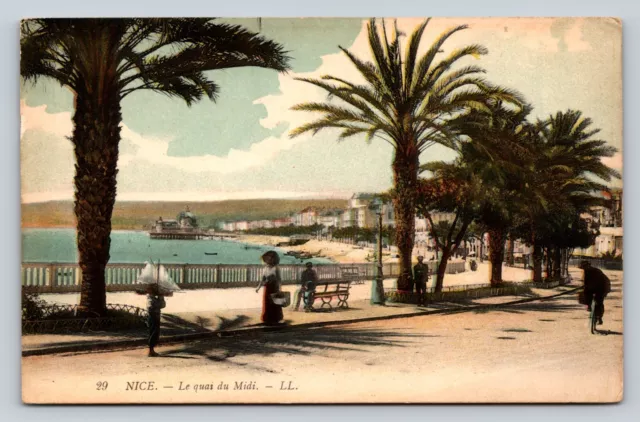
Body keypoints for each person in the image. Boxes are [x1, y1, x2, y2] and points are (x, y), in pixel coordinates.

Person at [256, 250, 284, 325]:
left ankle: (276, 318)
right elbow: (262, 279)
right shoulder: (265, 268)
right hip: (267, 287)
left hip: (274, 287)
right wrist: (258, 287)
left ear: (274, 259)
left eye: (270, 258)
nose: (268, 260)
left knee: (275, 302)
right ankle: (268, 318)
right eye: (267, 258)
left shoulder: (276, 268)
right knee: (267, 302)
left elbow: (279, 279)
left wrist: (280, 289)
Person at [580, 260, 611, 325]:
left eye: (585, 267)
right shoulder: (585, 272)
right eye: (583, 267)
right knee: (584, 294)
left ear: (589, 266)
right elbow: (584, 283)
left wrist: (606, 291)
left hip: (601, 288)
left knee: (599, 303)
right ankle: (589, 305)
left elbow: (606, 281)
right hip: (591, 289)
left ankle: (599, 318)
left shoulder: (597, 271)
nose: (584, 268)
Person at [146, 287, 167, 357]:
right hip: (153, 317)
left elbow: (162, 305)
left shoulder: (153, 298)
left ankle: (151, 350)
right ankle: (150, 351)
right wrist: (161, 298)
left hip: (155, 316)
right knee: (153, 333)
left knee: (154, 333)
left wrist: (160, 298)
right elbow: (161, 305)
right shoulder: (150, 299)